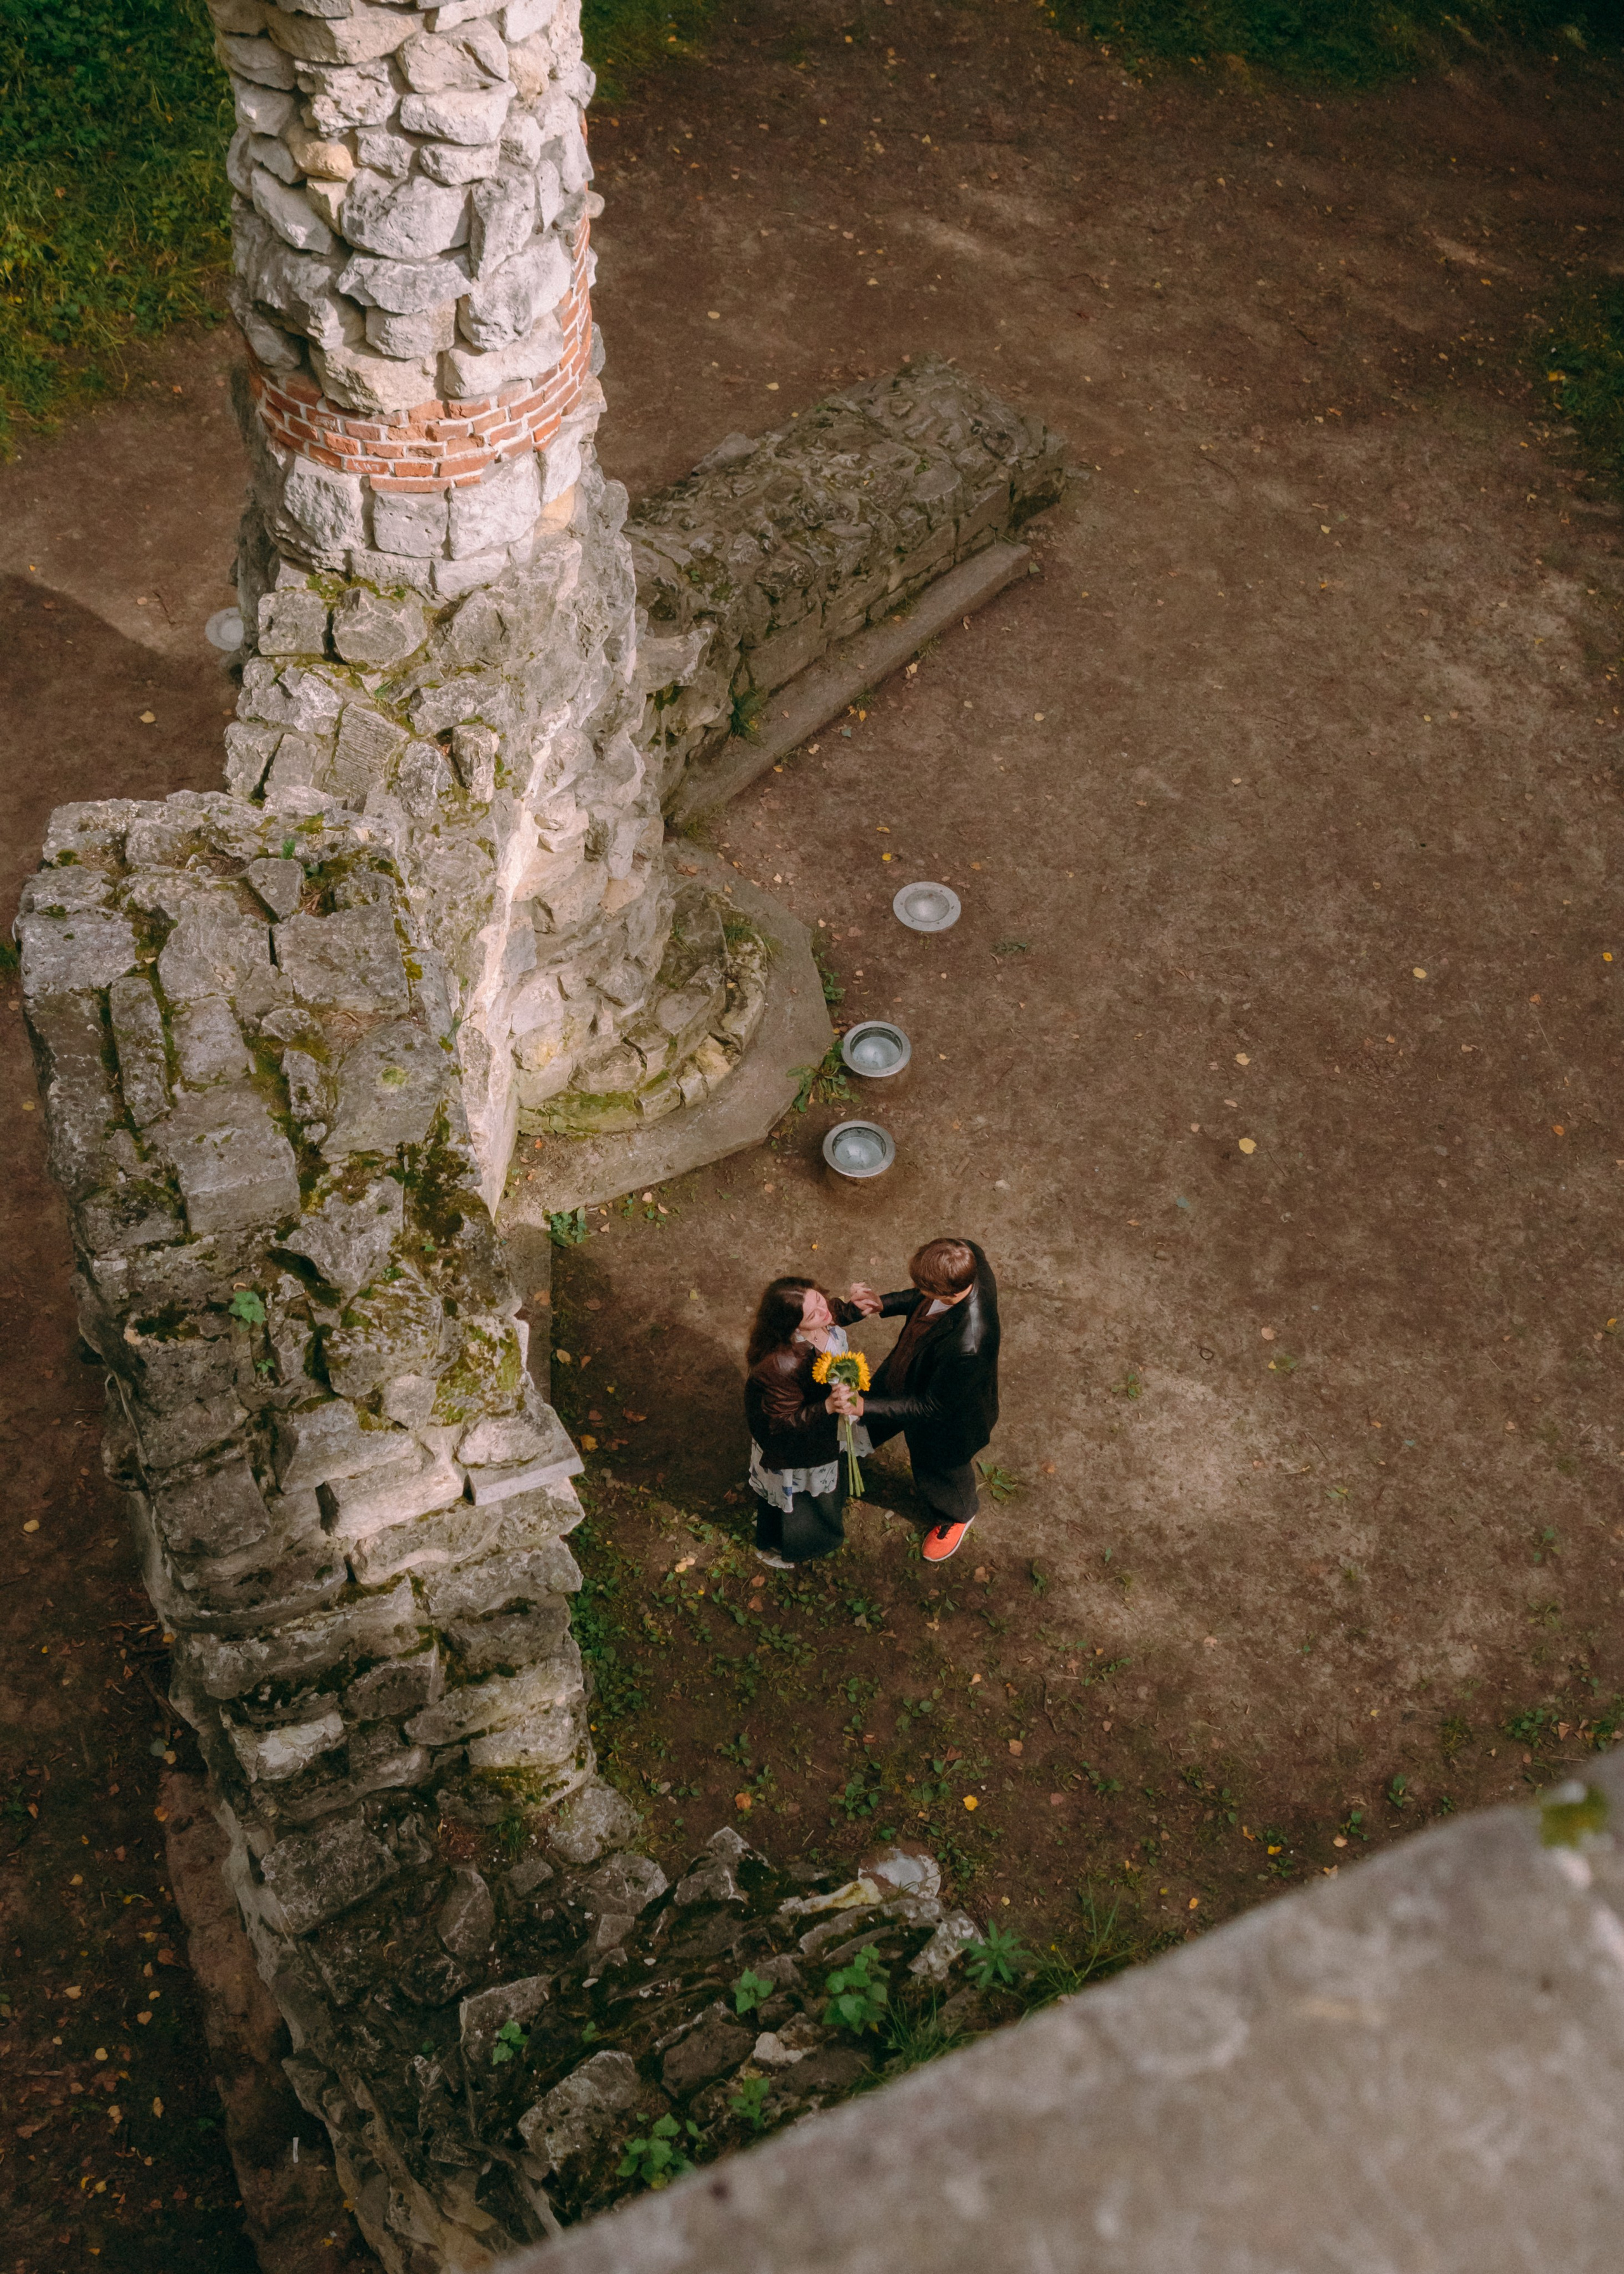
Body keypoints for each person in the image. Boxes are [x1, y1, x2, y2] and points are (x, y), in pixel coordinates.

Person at [843, 1236, 1000, 1565]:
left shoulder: (969, 1348)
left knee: (937, 1466)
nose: (918, 1291)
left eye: (926, 1288)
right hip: (912, 1370)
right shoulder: (966, 1256)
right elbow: (922, 1298)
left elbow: (931, 1408)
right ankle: (852, 1451)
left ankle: (956, 1514)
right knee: (875, 1411)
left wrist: (863, 1406)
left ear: (950, 1292)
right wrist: (884, 1303)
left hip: (946, 1421)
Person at [743, 1277, 874, 1568]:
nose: (823, 1312)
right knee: (801, 1504)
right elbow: (781, 1425)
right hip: (801, 1444)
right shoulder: (779, 1365)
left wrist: (854, 1310)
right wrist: (827, 1406)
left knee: (826, 1488)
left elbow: (831, 1312)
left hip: (825, 1429)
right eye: (812, 1315)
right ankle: (790, 1545)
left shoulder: (820, 1316)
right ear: (793, 1327)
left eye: (819, 1299)